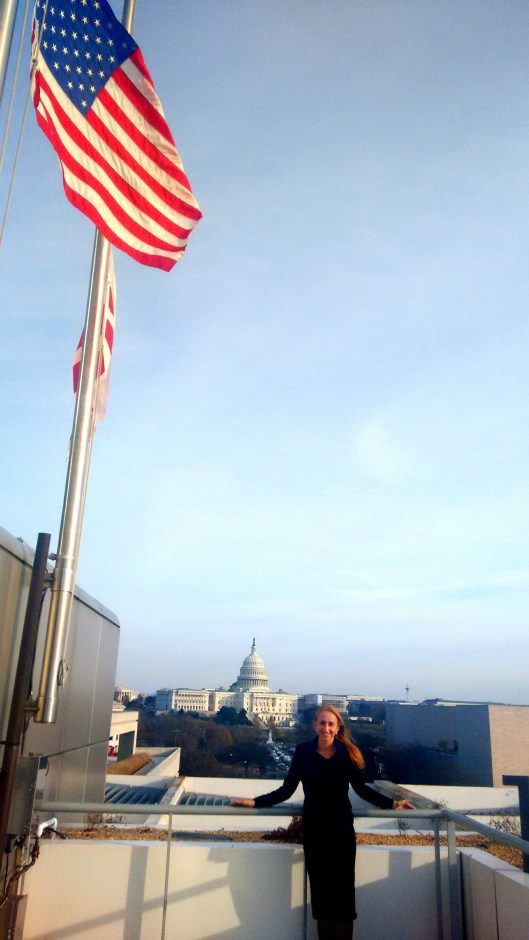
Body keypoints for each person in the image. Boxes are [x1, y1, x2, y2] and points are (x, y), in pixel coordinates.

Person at [231, 705, 414, 940]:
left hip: (341, 833)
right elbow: (286, 790)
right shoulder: (303, 752)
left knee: (344, 903)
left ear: (337, 728)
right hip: (315, 833)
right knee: (322, 903)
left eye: (330, 724)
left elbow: (361, 789)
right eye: (322, 723)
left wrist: (393, 804)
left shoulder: (347, 754)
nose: (326, 728)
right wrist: (255, 802)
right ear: (315, 725)